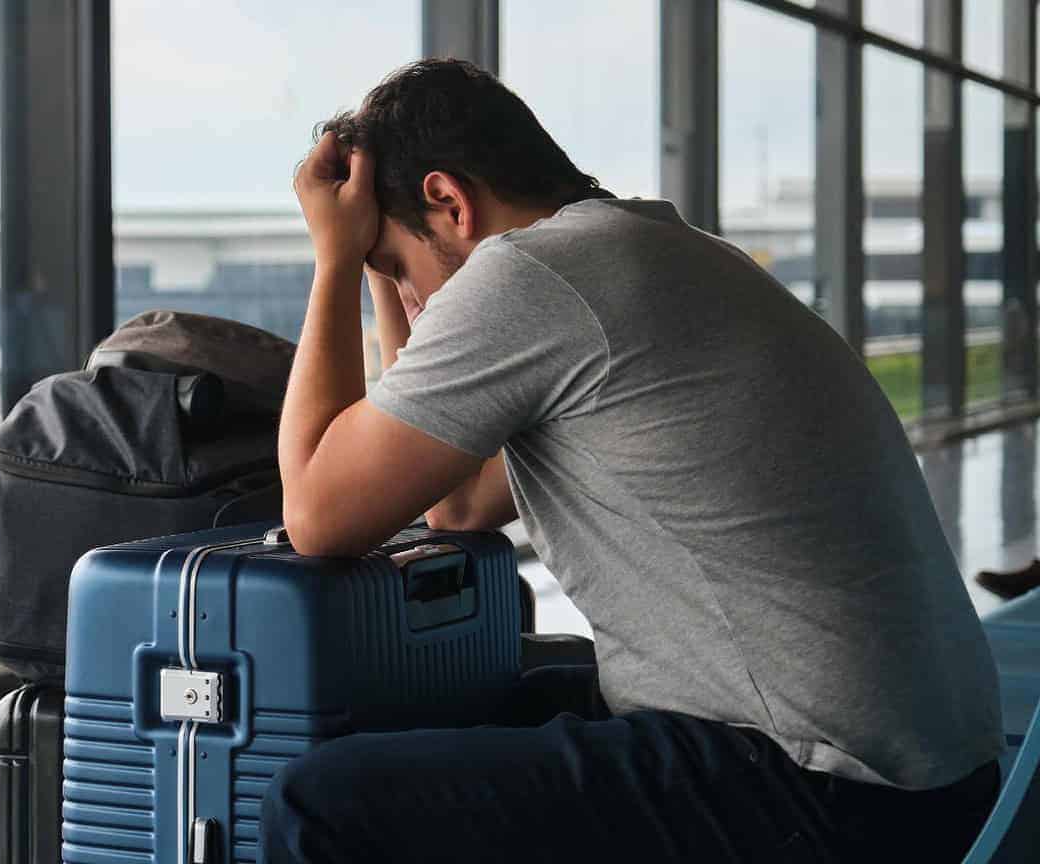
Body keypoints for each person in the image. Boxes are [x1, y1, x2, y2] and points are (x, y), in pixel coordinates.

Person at [263, 58, 1004, 863]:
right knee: (491, 698)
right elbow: (456, 504)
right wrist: (385, 261)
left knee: (320, 804)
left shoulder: (528, 275)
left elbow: (319, 517)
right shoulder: (660, 253)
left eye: (400, 270)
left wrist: (337, 259)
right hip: (935, 780)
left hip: (828, 793)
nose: (413, 305)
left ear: (450, 201)